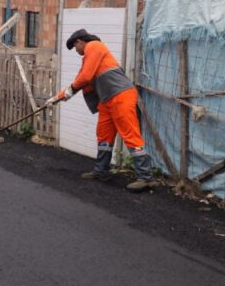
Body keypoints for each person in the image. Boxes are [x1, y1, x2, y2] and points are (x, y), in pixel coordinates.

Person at [53, 28, 153, 192]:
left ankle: (146, 177)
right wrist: (57, 98)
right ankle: (101, 171)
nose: (76, 51)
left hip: (121, 95)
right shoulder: (89, 58)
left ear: (80, 41)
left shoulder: (94, 46)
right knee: (104, 135)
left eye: (75, 47)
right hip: (107, 99)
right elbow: (80, 80)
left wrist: (69, 92)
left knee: (130, 134)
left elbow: (84, 78)